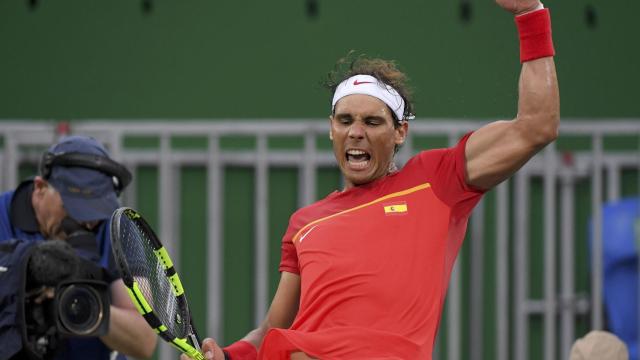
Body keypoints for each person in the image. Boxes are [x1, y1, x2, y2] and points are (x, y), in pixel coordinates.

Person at [188, 0, 559, 358]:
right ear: (331, 130)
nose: (356, 132)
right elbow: (271, 329)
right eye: (345, 120)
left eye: (373, 121)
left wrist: (530, 14)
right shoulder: (303, 223)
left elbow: (535, 127)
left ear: (400, 133)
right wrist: (227, 356)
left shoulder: (436, 180)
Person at [0, 135, 157, 359]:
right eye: (74, 207)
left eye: (95, 210)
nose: (87, 222)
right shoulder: (2, 217)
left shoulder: (116, 230)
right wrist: (26, 273)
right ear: (40, 187)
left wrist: (84, 301)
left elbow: (143, 341)